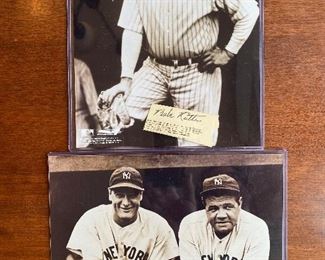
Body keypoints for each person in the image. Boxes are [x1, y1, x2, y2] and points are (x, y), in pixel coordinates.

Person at [99, 0, 260, 146]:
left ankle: (179, 130)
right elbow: (132, 30)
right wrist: (126, 79)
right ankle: (172, 127)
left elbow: (250, 11)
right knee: (115, 113)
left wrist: (228, 53)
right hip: (155, 69)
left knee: (195, 148)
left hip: (197, 70)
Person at [66, 166, 179, 260]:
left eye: (132, 195)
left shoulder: (158, 226)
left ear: (141, 195)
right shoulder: (92, 220)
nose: (125, 202)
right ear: (110, 194)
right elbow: (73, 257)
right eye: (119, 195)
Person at [178, 174, 270, 260]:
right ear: (204, 206)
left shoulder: (256, 227)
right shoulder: (190, 225)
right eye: (213, 208)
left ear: (240, 203)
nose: (221, 215)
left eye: (228, 207)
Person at [74, 58, 101, 148]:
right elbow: (93, 103)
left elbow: (93, 103)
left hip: (80, 121)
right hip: (79, 124)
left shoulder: (80, 67)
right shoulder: (80, 66)